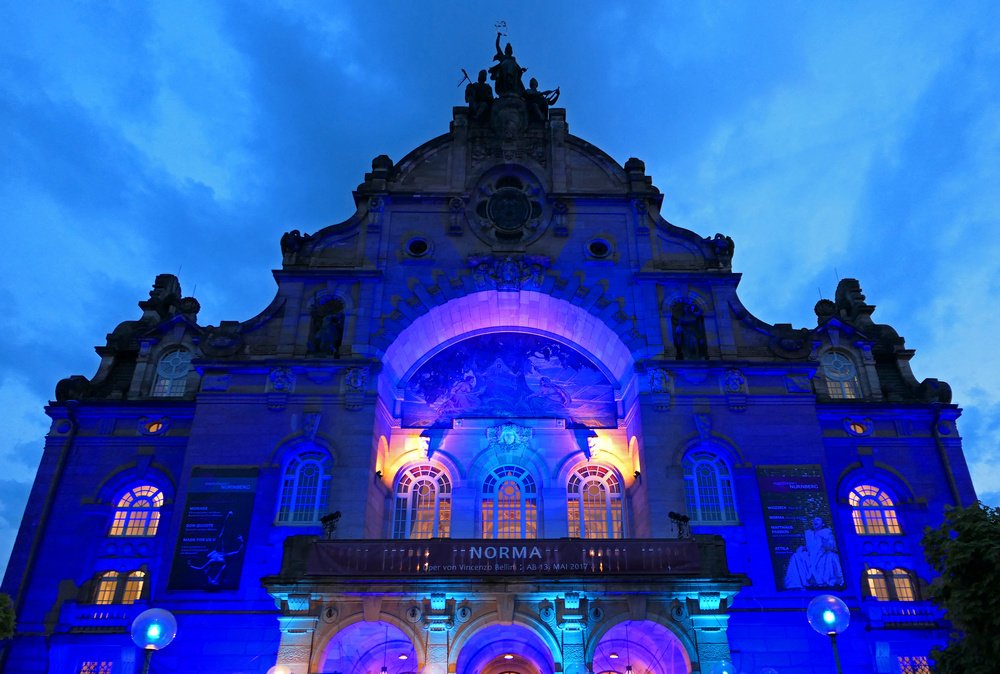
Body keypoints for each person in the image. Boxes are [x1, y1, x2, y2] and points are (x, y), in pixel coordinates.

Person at [784, 517, 845, 589]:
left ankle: (829, 581)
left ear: (823, 524)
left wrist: (824, 541)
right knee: (796, 556)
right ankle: (794, 584)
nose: (815, 521)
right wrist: (803, 548)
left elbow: (833, 547)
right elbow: (810, 547)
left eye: (818, 520)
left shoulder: (827, 534)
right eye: (814, 520)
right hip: (810, 556)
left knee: (832, 556)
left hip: (822, 556)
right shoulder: (809, 534)